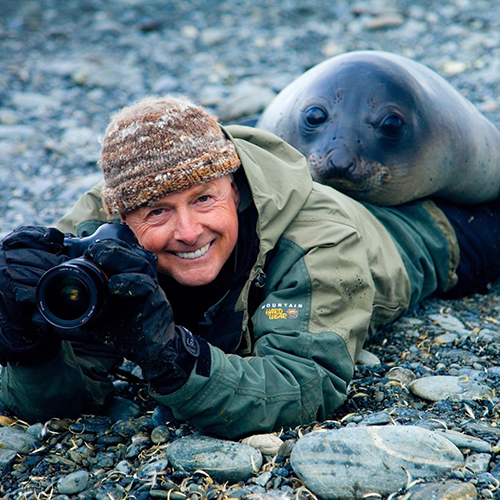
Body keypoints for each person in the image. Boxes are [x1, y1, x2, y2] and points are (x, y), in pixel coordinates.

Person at [1, 96, 499, 439]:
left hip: (421, 237)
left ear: (234, 189)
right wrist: (31, 345)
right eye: (157, 211)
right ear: (121, 215)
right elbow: (67, 393)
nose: (189, 231)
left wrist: (173, 358)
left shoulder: (316, 241)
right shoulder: (96, 241)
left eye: (203, 199)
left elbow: (306, 384)